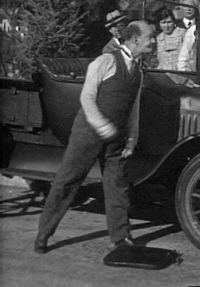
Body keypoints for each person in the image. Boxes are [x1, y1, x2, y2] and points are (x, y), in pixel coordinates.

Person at [34, 21, 154, 254]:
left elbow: (134, 109)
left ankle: (121, 239)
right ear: (136, 39)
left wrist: (132, 139)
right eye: (150, 36)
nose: (154, 40)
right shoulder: (105, 61)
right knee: (67, 181)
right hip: (87, 133)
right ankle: (43, 234)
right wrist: (103, 127)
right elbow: (87, 99)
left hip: (116, 139)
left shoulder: (138, 71)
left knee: (117, 187)